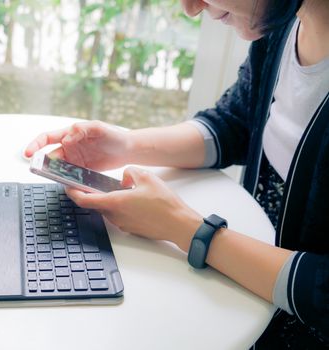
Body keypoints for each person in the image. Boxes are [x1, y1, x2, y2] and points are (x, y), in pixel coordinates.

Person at [24, 0, 329, 347]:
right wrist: (124, 145)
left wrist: (185, 228)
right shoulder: (285, 23)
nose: (191, 7)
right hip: (253, 302)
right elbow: (236, 124)